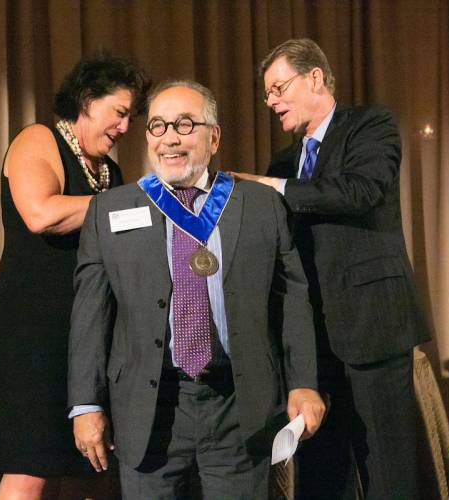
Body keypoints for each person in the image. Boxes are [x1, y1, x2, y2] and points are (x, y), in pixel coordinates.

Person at [67, 80, 326, 499]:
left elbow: (292, 301)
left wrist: (304, 381)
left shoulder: (261, 205)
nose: (170, 137)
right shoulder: (109, 210)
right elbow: (90, 315)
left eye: (186, 125)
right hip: (148, 409)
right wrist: (86, 404)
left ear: (214, 136)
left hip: (239, 404)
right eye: (158, 126)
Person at [233, 39, 432, 498]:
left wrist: (268, 185)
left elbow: (359, 191)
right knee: (322, 475)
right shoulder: (283, 162)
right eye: (266, 94)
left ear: (315, 78)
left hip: (373, 327)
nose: (271, 102)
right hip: (310, 343)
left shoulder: (370, 126)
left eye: (278, 88)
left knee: (388, 474)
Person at [0, 53, 150, 499]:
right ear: (87, 99)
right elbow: (42, 215)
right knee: (31, 461)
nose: (123, 128)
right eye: (119, 113)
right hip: (33, 326)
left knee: (83, 464)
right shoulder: (39, 139)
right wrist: (134, 202)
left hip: (87, 331)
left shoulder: (110, 172)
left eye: (130, 119)